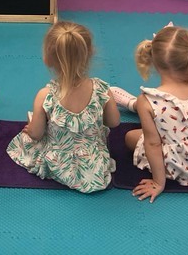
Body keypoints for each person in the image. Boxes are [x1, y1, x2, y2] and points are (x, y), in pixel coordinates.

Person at [113, 25, 188, 202]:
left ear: (155, 62)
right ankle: (136, 106)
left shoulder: (146, 100)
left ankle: (134, 105)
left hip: (181, 162)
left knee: (130, 137)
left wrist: (158, 183)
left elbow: (153, 144)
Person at [7, 21, 120, 193]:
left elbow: (36, 134)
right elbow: (113, 122)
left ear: (47, 59)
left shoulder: (45, 95)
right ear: (90, 53)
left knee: (26, 137)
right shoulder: (103, 90)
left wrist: (31, 129)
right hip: (93, 167)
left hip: (58, 164)